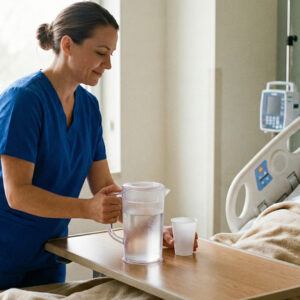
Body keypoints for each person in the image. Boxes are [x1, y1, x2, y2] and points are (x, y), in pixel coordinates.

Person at [0, 1, 196, 290]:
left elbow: (104, 185)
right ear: (67, 45)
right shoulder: (24, 101)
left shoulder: (89, 108)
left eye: (111, 54)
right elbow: (18, 194)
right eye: (101, 53)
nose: (108, 65)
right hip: (5, 249)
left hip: (48, 252)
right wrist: (87, 209)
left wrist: (150, 230)